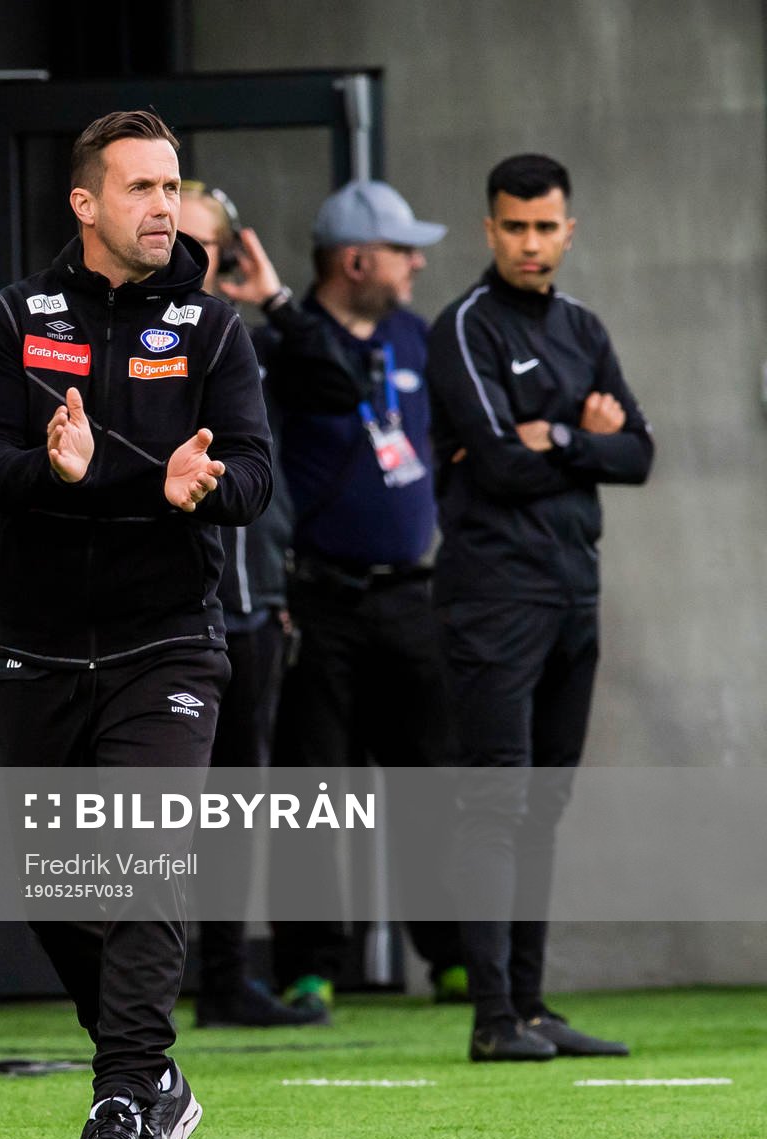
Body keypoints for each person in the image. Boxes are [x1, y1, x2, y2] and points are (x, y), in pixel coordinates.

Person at [0, 110, 272, 1139]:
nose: (162, 207)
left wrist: (209, 486)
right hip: (36, 647)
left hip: (168, 642)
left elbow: (260, 477)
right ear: (86, 201)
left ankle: (124, 1098)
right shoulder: (15, 315)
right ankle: (152, 1075)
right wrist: (58, 475)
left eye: (171, 186)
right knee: (50, 887)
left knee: (141, 865)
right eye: (139, 188)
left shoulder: (214, 326)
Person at [219, 179, 466, 1015]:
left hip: (411, 594)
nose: (418, 262)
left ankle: (456, 955)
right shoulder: (284, 343)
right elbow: (327, 387)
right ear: (357, 259)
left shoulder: (416, 336)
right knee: (312, 791)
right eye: (403, 250)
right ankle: (311, 964)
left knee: (431, 780)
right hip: (318, 598)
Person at [428, 154, 652, 1062]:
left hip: (573, 591)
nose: (530, 242)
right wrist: (584, 439)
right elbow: (495, 462)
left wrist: (557, 433)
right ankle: (492, 1020)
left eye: (545, 226)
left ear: (569, 229)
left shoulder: (585, 327)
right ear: (490, 230)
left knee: (545, 804)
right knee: (496, 800)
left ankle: (530, 1004)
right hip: (493, 595)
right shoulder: (465, 329)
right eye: (513, 226)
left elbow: (638, 453)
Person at [174, 183, 321, 1030]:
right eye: (175, 243)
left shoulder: (253, 345)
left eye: (206, 250)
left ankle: (226, 980)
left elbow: (341, 384)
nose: (185, 264)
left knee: (231, 804)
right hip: (161, 614)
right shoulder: (134, 342)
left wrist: (272, 296)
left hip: (253, 609)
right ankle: (134, 982)